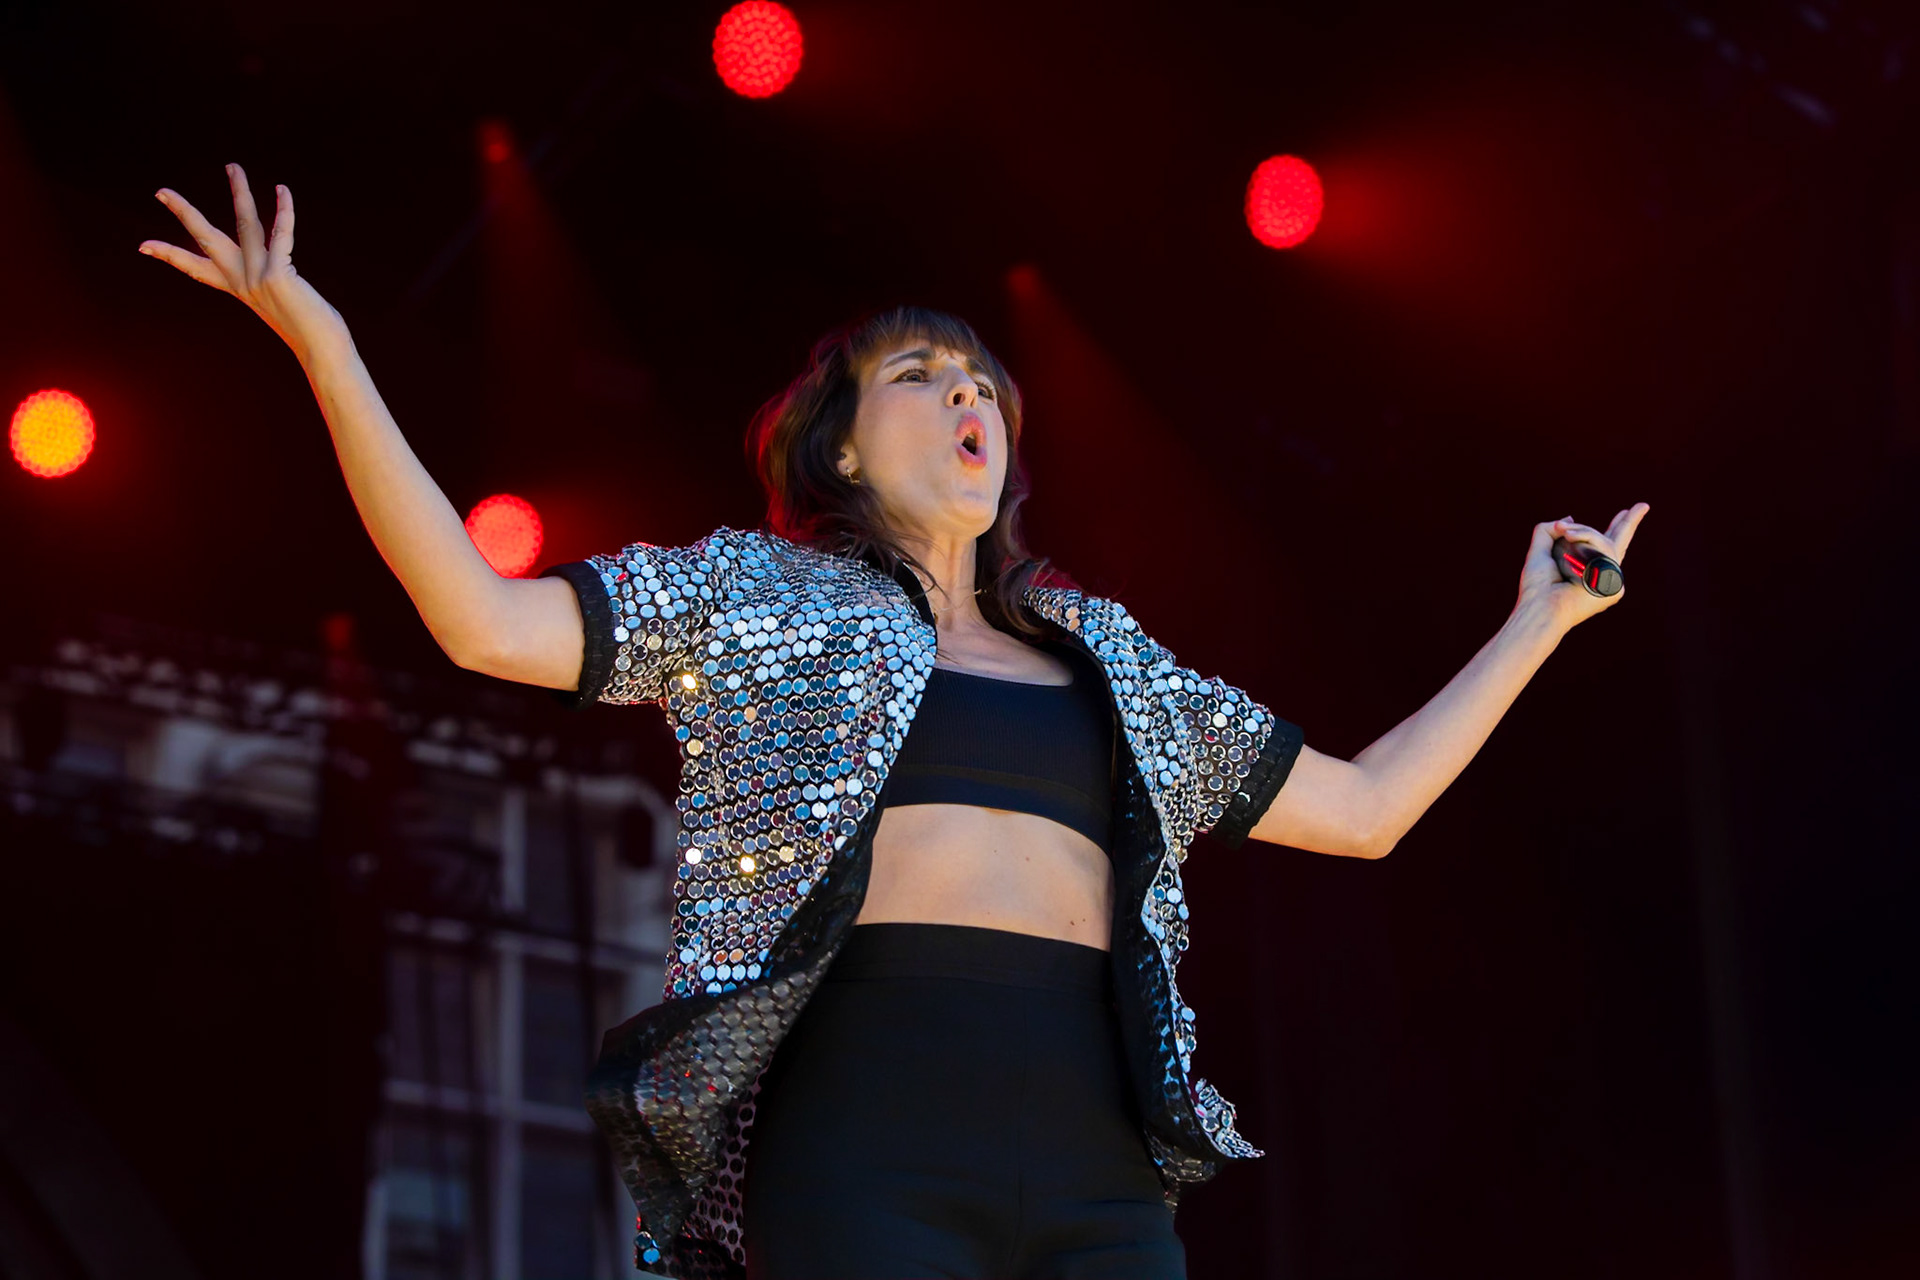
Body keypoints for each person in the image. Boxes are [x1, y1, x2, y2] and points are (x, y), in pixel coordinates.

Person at [141, 165, 1650, 1280]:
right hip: (867, 1144)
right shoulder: (758, 598)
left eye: (983, 383)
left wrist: (1541, 620)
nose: (967, 397)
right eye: (922, 379)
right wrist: (322, 344)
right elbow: (479, 618)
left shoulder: (1107, 657)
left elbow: (1369, 809)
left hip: (1098, 1168)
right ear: (846, 448)